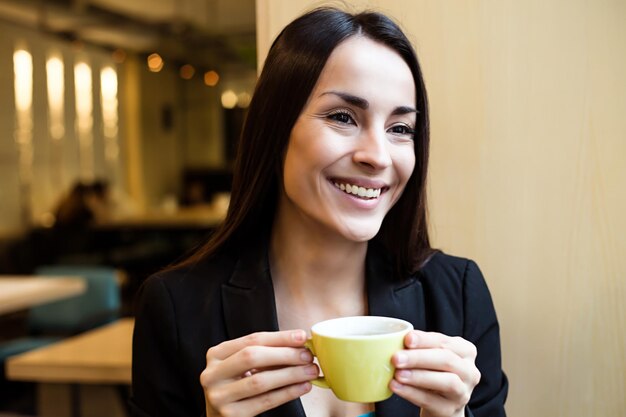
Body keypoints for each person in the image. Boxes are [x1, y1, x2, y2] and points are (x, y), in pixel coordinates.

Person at [131, 6, 508, 417]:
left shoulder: (458, 296)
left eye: (400, 129)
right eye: (343, 117)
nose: (377, 157)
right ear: (275, 131)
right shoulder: (174, 307)